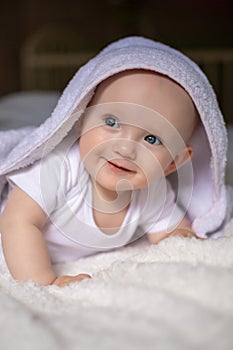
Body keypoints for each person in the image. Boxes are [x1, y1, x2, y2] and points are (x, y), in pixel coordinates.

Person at [0, 37, 232, 287]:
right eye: (111, 123)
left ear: (173, 162)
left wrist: (191, 245)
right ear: (80, 119)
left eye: (152, 139)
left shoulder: (153, 193)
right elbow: (17, 222)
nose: (125, 148)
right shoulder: (57, 166)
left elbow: (172, 234)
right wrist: (46, 281)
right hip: (11, 250)